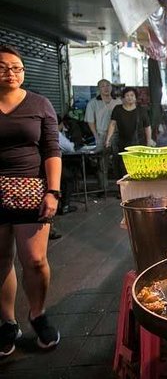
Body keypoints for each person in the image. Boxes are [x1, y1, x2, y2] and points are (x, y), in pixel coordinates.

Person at [0, 44, 61, 356]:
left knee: (34, 261)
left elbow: (52, 148)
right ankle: (7, 323)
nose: (11, 73)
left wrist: (53, 191)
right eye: (3, 67)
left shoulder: (39, 103)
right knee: (0, 261)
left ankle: (37, 314)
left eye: (17, 67)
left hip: (30, 190)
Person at [105, 87, 153, 177]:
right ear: (123, 98)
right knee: (123, 169)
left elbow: (147, 127)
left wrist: (149, 141)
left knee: (139, 169)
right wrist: (108, 139)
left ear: (135, 98)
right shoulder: (118, 109)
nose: (129, 97)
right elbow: (112, 124)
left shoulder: (141, 110)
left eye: (132, 95)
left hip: (139, 143)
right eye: (127, 95)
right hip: (123, 144)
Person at [84, 79, 121, 190]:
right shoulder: (93, 103)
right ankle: (103, 188)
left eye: (108, 85)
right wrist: (95, 135)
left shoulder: (118, 101)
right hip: (101, 134)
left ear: (111, 87)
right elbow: (90, 121)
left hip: (116, 135)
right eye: (103, 86)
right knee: (102, 163)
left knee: (118, 162)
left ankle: (120, 190)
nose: (106, 88)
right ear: (99, 89)